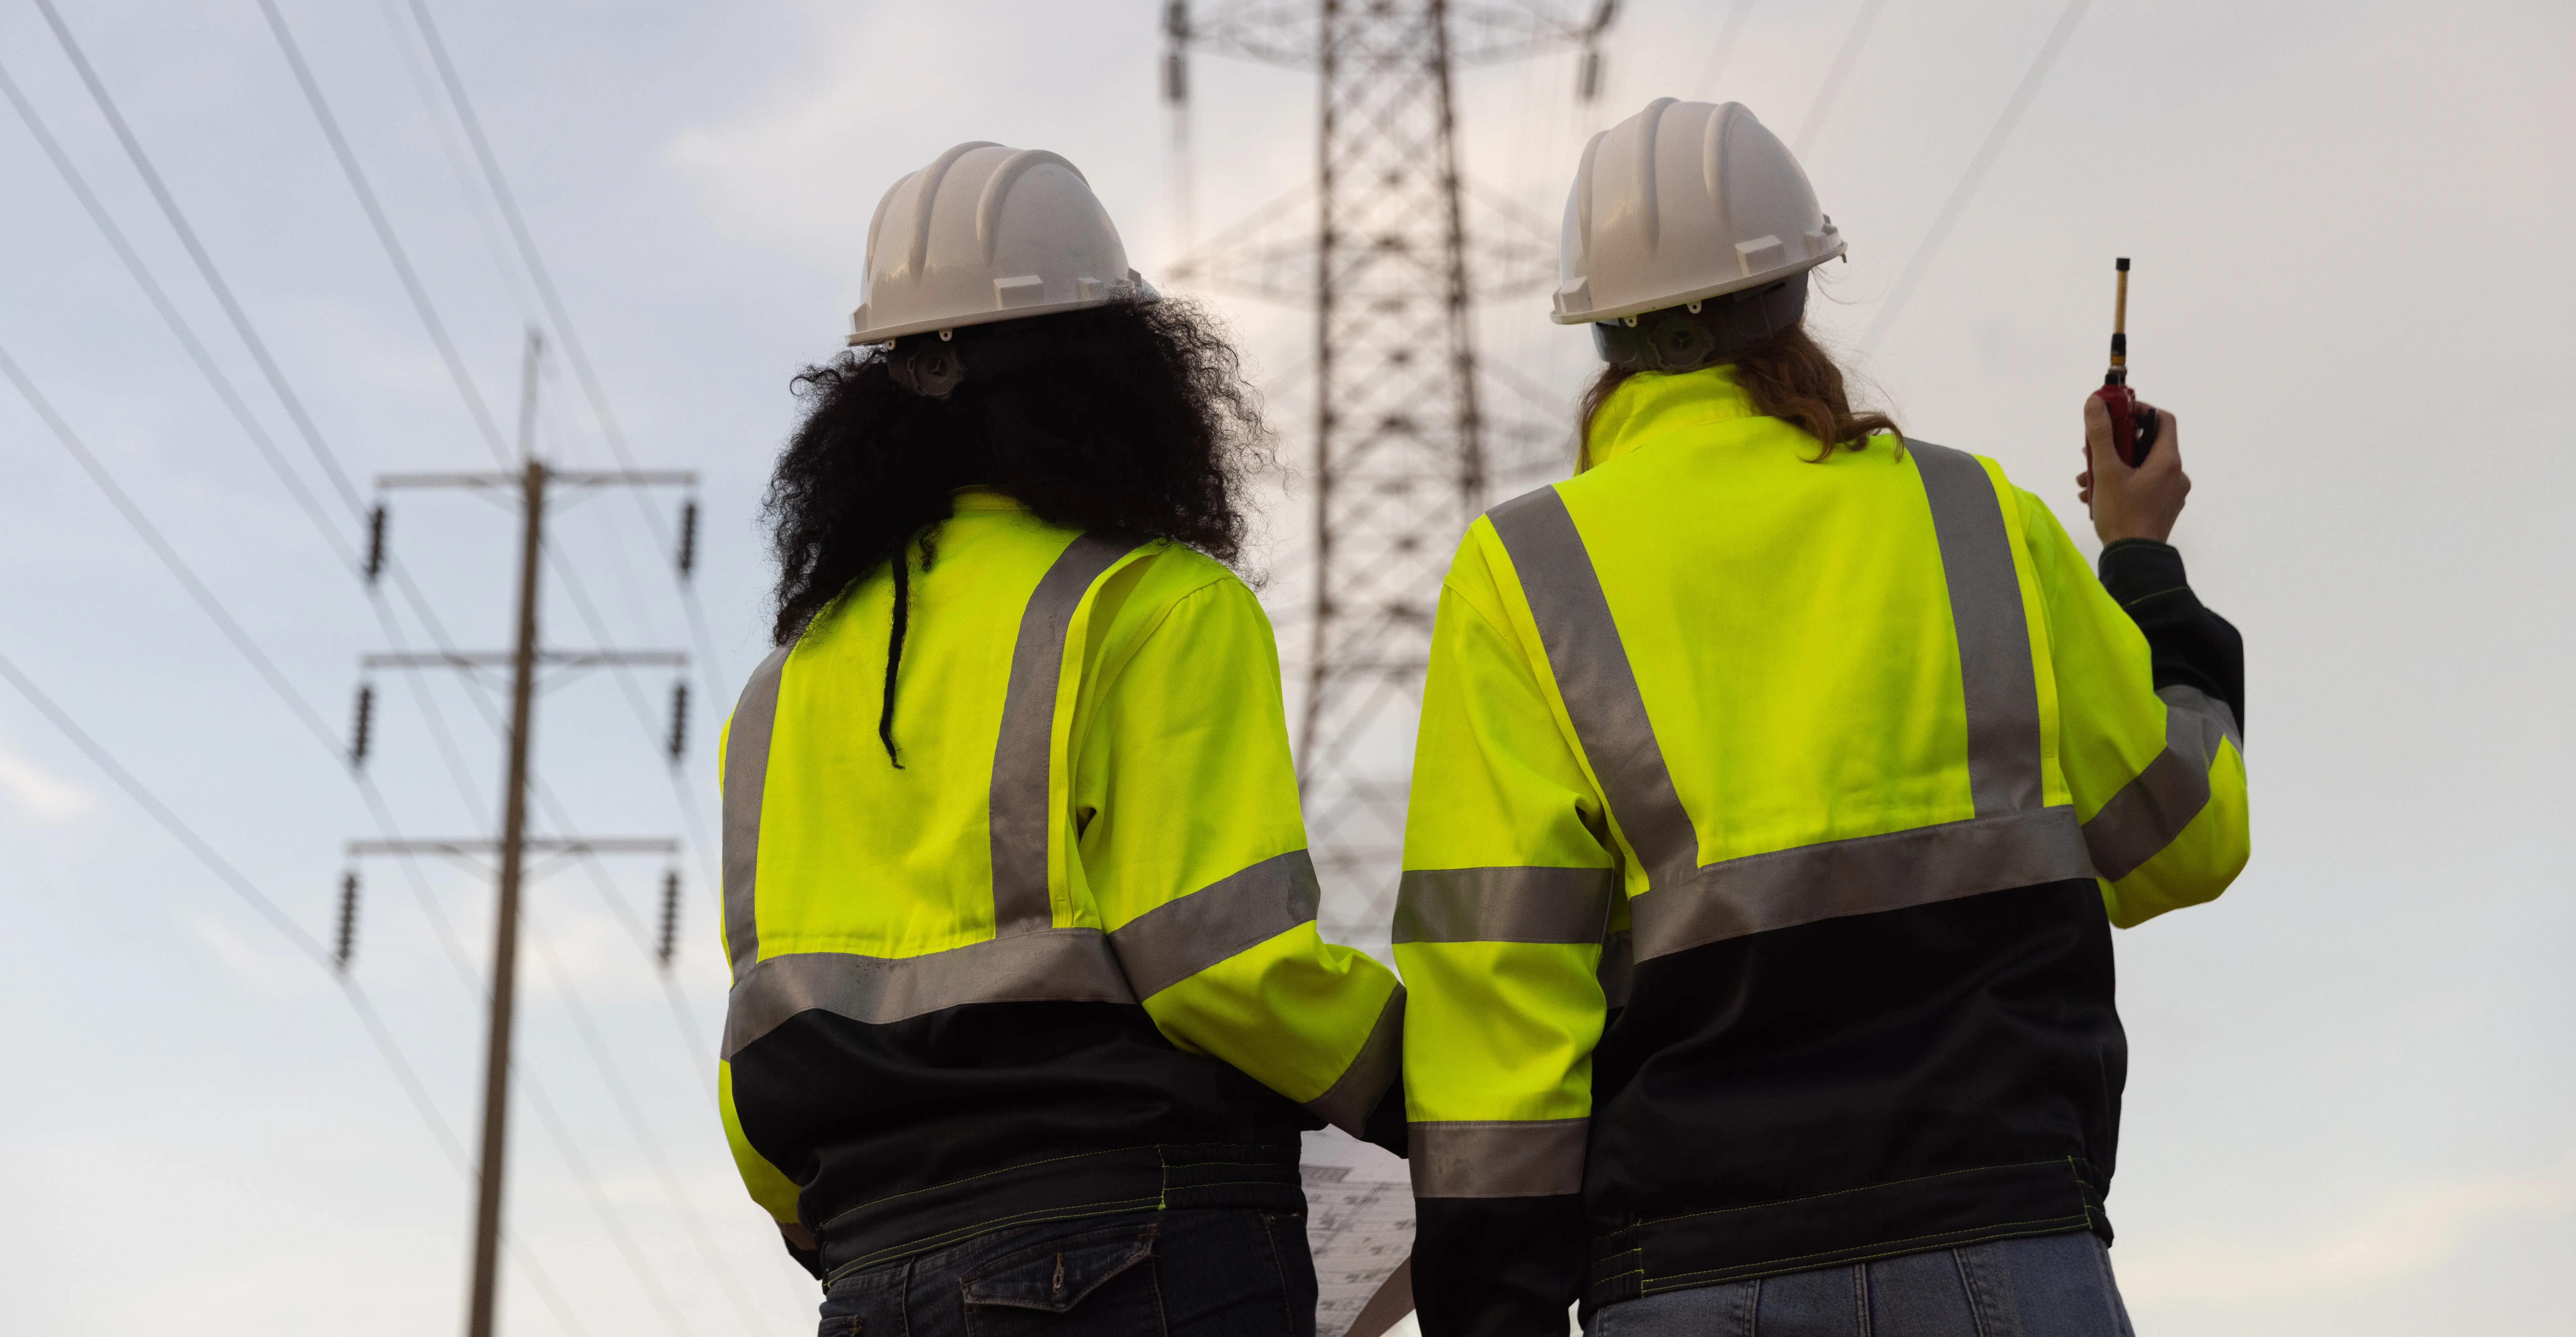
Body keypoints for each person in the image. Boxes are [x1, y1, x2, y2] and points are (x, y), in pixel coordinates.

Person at [1395, 98, 2248, 1335]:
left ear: (1605, 335)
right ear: (1800, 292)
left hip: (1685, 1275)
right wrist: (2142, 567)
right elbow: (2184, 839)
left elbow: (1495, 991)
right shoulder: (1976, 517)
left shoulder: (1526, 576)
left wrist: (1499, 1314)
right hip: (2014, 1256)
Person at [717, 141, 1405, 1331]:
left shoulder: (782, 691)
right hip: (1135, 1248)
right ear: (1114, 379)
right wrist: (1443, 1093)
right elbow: (1225, 968)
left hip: (874, 1274)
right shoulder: (1157, 605)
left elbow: (760, 1053)